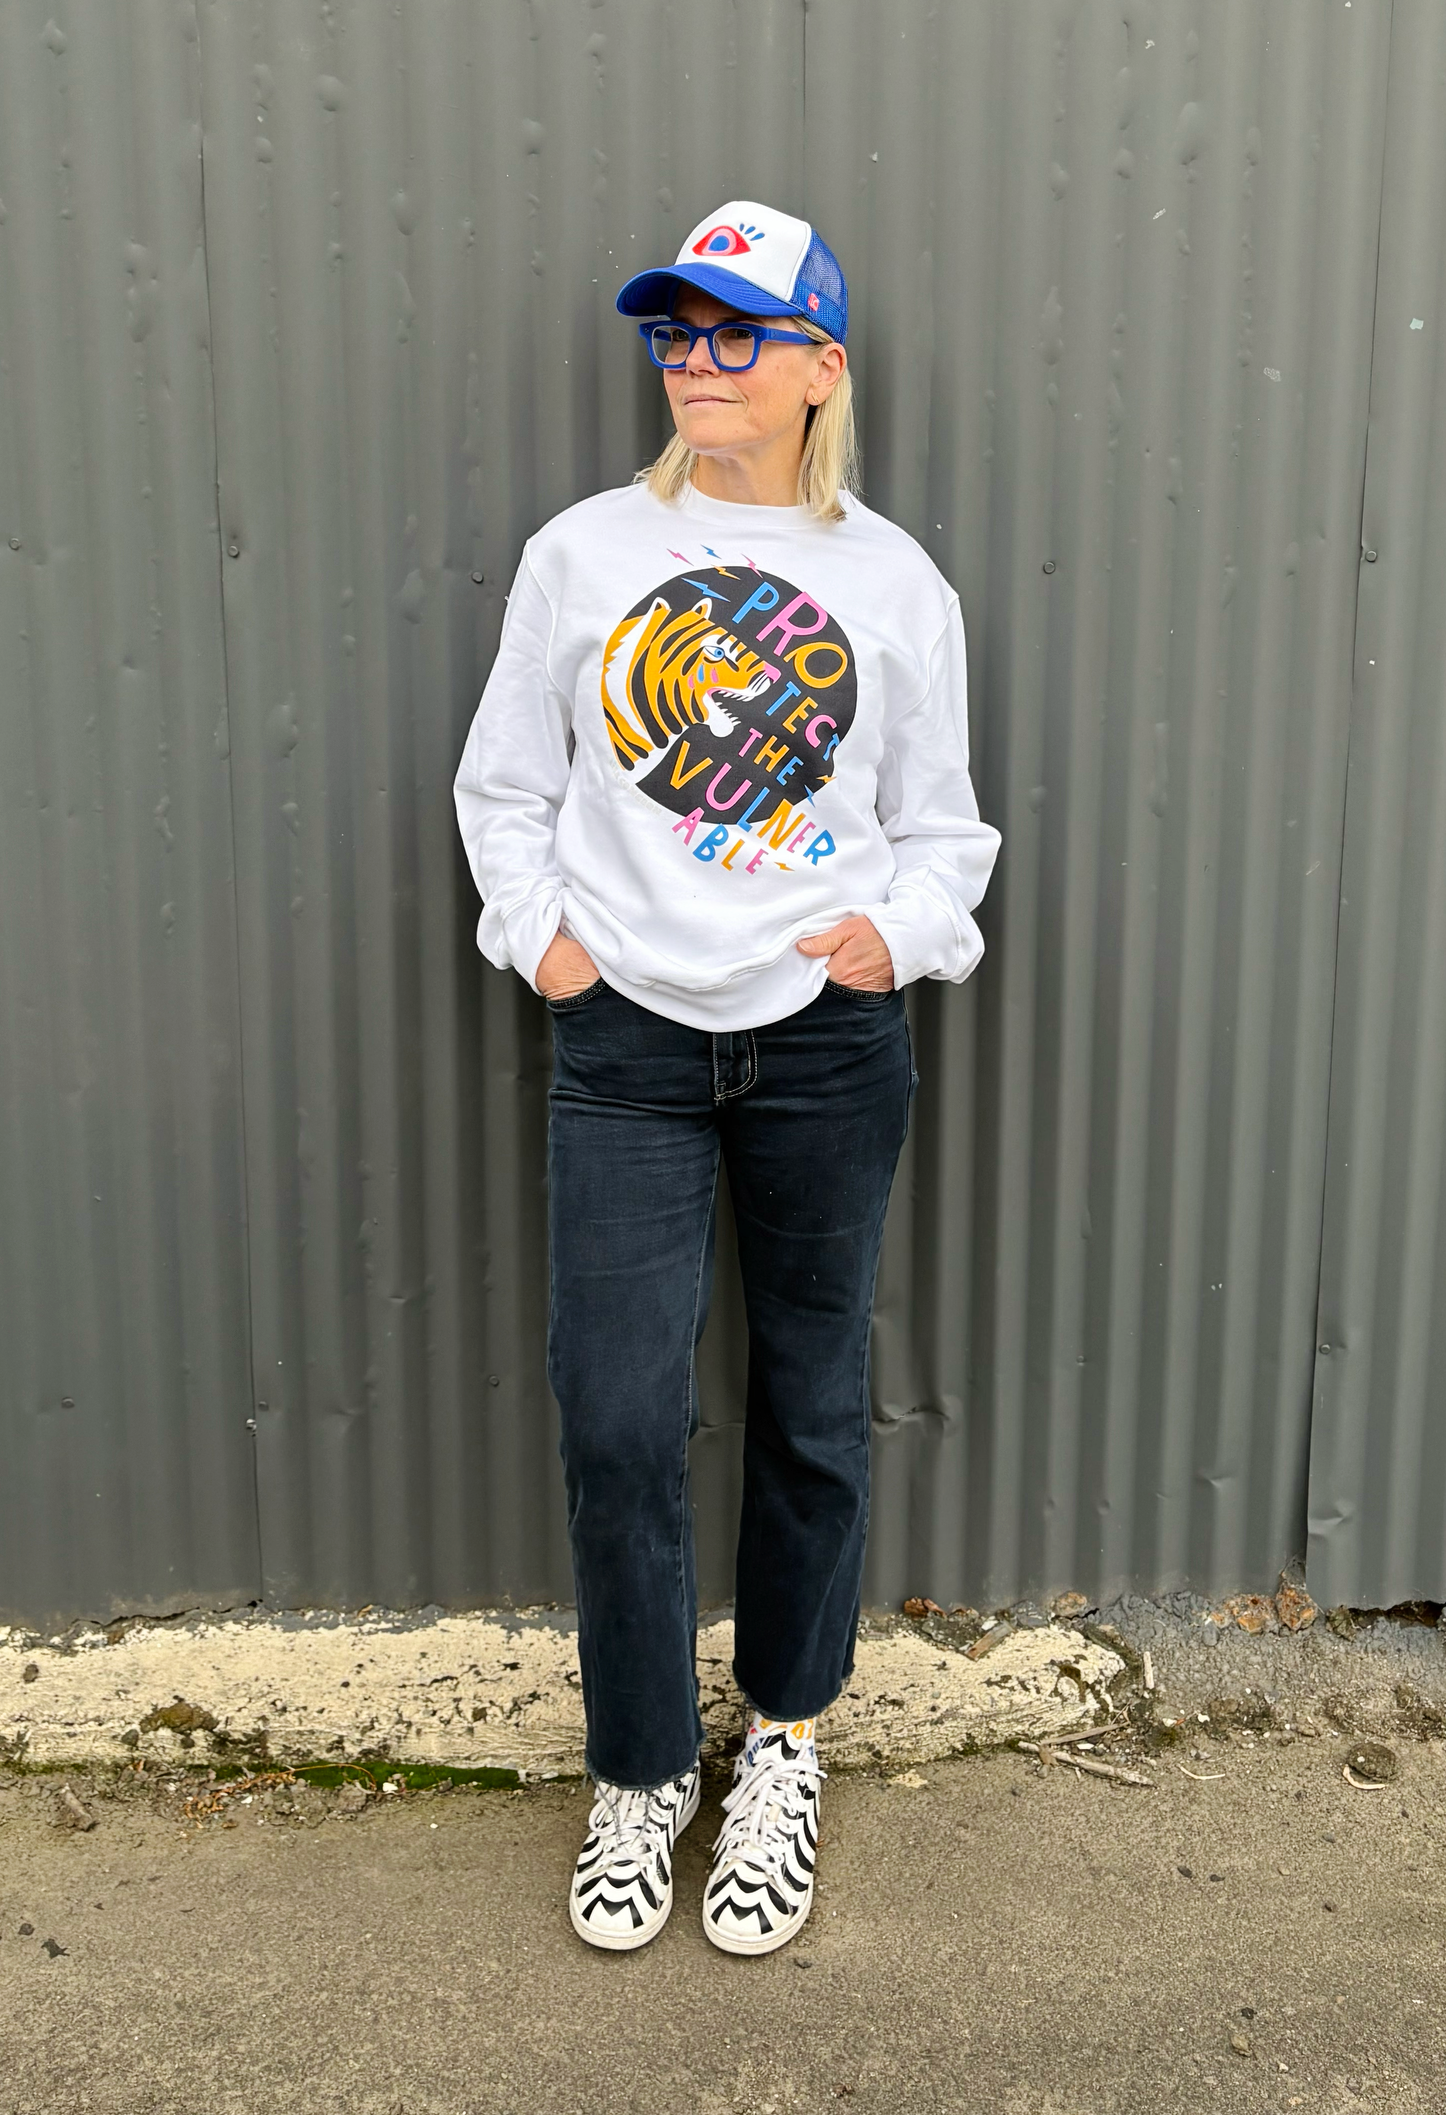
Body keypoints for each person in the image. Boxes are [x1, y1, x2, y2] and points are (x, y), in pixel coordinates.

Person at [453, 200, 1000, 1955]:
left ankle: (782, 1742)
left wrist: (895, 936)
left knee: (810, 1403)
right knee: (617, 1415)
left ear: (818, 365)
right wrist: (545, 940)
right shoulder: (582, 553)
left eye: (733, 333)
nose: (696, 362)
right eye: (673, 333)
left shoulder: (893, 583)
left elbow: (941, 830)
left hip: (823, 1045)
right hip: (623, 1041)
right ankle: (637, 1769)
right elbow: (504, 786)